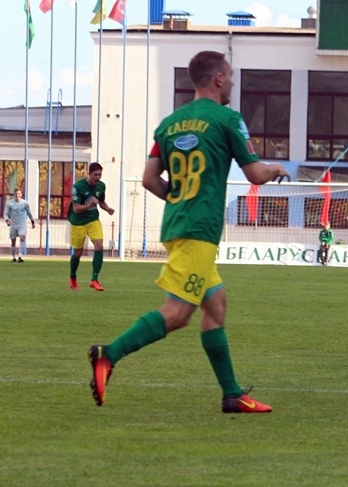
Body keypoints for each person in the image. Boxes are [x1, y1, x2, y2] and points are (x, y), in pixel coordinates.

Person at [86, 51, 290, 413]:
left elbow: (149, 179)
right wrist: (276, 167)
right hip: (199, 229)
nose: (232, 82)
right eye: (230, 75)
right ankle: (108, 355)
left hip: (179, 224)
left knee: (216, 304)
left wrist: (179, 199)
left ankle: (232, 395)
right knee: (178, 313)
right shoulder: (228, 119)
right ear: (218, 79)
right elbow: (256, 174)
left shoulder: (169, 125)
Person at [68, 162, 115, 291]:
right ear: (89, 174)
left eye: (100, 174)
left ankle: (94, 279)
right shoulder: (78, 187)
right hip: (78, 223)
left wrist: (108, 209)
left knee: (99, 246)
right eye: (95, 175)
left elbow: (101, 201)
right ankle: (72, 276)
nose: (98, 177)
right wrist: (89, 205)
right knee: (78, 253)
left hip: (93, 220)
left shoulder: (101, 186)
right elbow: (76, 209)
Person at [4, 188, 36, 262]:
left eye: (18, 193)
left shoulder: (25, 203)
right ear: (14, 195)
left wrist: (32, 221)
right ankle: (14, 257)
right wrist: (7, 220)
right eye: (16, 193)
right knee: (13, 241)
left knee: (22, 237)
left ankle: (20, 256)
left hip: (22, 224)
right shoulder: (10, 203)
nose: (17, 195)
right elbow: (6, 214)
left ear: (21, 195)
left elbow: (29, 213)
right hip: (13, 225)